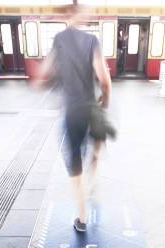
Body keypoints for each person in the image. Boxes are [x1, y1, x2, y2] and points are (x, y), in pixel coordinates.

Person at [39, 5, 112, 232]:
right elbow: (104, 80)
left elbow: (44, 73)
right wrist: (104, 103)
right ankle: (92, 185)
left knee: (75, 165)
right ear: (81, 17)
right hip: (91, 109)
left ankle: (82, 220)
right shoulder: (92, 42)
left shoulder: (59, 40)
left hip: (72, 113)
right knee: (98, 148)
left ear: (65, 16)